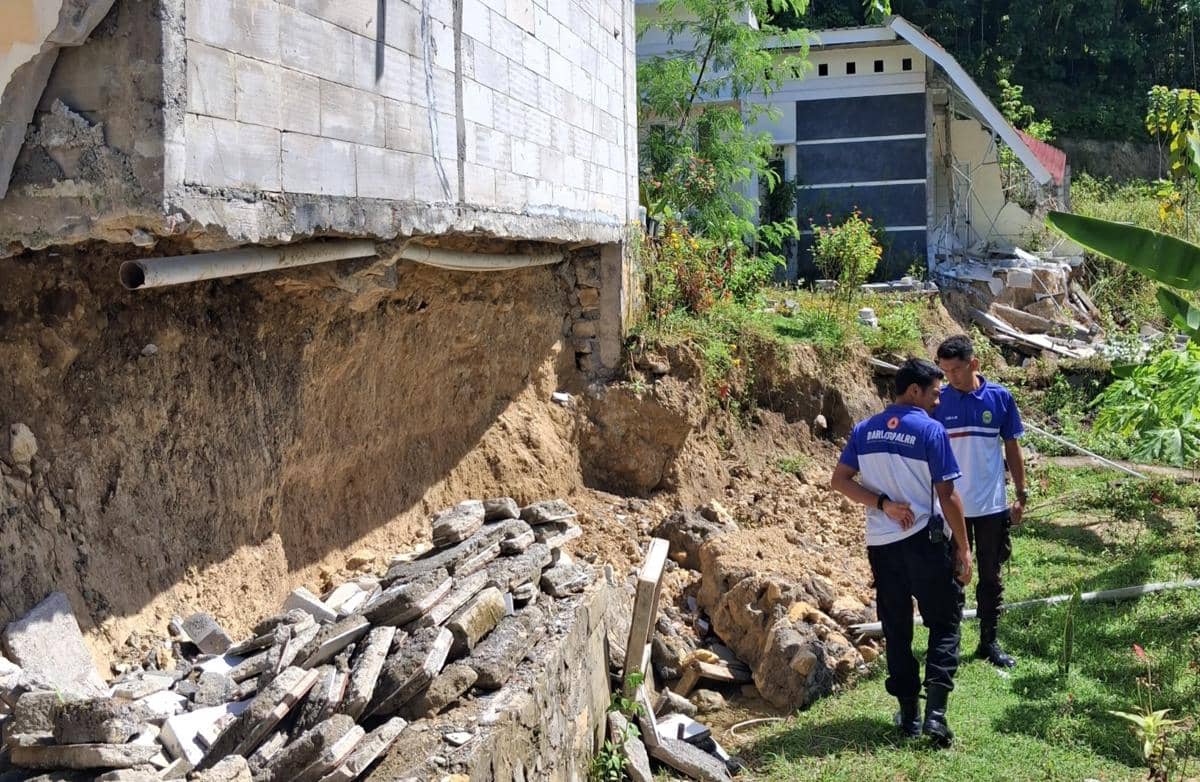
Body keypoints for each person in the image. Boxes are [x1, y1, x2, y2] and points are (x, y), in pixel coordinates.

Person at [830, 358, 972, 746]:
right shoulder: (931, 430)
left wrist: (883, 505)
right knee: (944, 624)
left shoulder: (865, 429)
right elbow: (948, 495)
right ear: (914, 391)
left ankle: (909, 716)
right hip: (925, 543)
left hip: (882, 547)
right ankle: (936, 716)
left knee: (897, 629)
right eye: (935, 394)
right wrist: (964, 548)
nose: (938, 401)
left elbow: (840, 480)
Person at [933, 335, 1027, 668]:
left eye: (956, 370)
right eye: (945, 372)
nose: (950, 378)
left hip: (991, 507)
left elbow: (1012, 447)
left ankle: (989, 641)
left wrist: (1021, 493)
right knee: (953, 576)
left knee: (991, 576)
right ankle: (950, 644)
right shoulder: (938, 402)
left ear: (974, 364)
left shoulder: (1000, 399)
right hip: (950, 508)